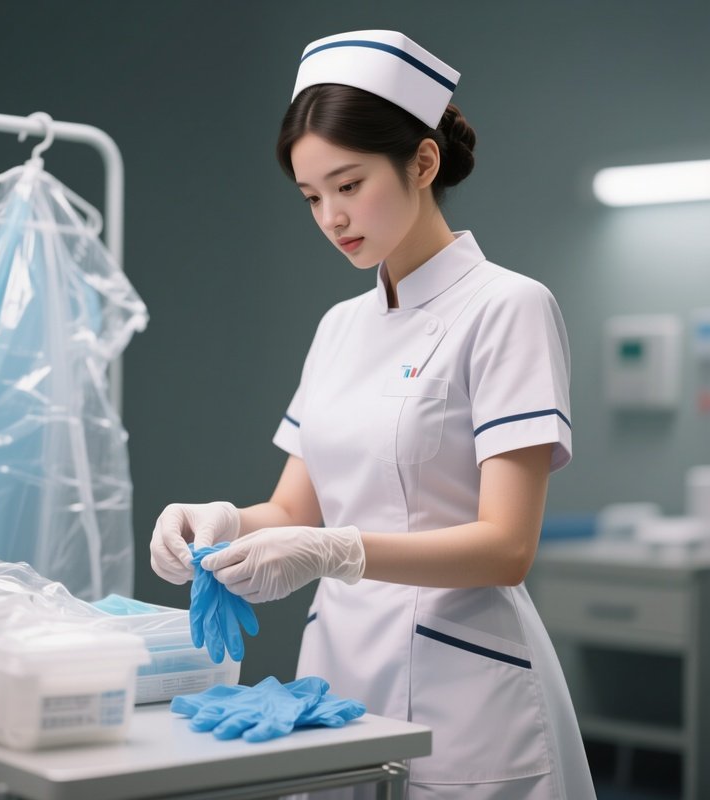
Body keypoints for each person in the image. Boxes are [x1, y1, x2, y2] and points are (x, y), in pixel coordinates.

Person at [151, 29, 596, 800]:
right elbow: (294, 507)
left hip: (467, 692)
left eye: (349, 185)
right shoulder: (339, 327)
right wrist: (220, 521)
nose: (331, 217)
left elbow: (507, 547)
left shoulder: (507, 308)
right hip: (336, 680)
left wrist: (333, 552)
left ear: (422, 163)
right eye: (311, 196)